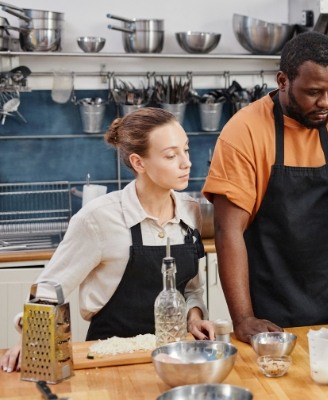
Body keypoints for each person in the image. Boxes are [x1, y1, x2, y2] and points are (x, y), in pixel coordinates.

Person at [202, 31, 328, 341]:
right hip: (265, 306)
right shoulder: (244, 131)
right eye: (313, 92)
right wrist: (243, 317)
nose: (326, 102)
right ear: (283, 80)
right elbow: (229, 230)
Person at [1, 107, 214, 373]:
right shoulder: (98, 218)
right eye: (171, 155)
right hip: (109, 359)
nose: (186, 162)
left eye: (186, 150)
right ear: (139, 163)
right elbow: (49, 288)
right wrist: (33, 338)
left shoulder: (190, 212)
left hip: (174, 357)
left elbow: (191, 289)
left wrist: (194, 318)